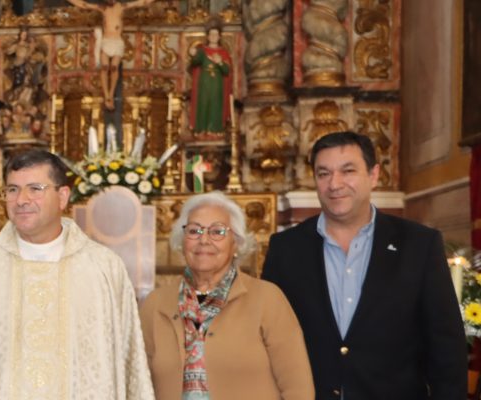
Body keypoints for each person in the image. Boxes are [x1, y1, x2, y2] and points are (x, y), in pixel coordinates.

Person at [0, 149, 154, 399]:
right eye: (12, 190)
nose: (21, 200)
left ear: (62, 197)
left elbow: (129, 362)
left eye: (35, 188)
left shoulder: (103, 268)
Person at [262, 131, 466, 399]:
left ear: (373, 175)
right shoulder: (285, 248)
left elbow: (446, 348)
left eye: (348, 171)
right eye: (323, 173)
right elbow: (266, 342)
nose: (334, 184)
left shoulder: (419, 245)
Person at [139, 191, 313, 399]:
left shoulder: (267, 299)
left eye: (217, 231)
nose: (204, 240)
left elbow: (298, 389)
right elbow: (140, 385)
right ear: (182, 241)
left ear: (236, 243)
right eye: (194, 230)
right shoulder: (155, 304)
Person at [67, 0, 156, 111]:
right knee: (104, 68)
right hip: (106, 41)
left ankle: (111, 94)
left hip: (117, 41)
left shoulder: (121, 6)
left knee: (114, 68)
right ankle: (106, 95)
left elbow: (140, 3)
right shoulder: (103, 8)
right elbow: (84, 5)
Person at [188, 20, 233, 136]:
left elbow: (227, 71)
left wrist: (220, 63)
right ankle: (201, 129)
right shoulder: (202, 50)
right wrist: (193, 54)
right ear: (208, 36)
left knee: (216, 105)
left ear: (219, 37)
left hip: (217, 83)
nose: (213, 37)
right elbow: (195, 63)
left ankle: (215, 129)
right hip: (203, 82)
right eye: (211, 34)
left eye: (216, 34)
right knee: (203, 104)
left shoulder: (223, 53)